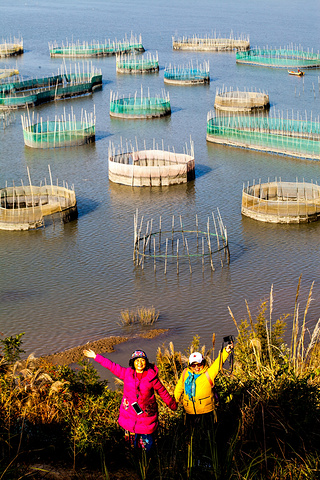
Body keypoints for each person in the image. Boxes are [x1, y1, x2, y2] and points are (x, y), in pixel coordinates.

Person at [83, 348, 177, 453]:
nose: (140, 363)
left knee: (148, 448)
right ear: (133, 362)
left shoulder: (152, 377)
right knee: (132, 448)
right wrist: (96, 356)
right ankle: (134, 465)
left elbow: (162, 391)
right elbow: (111, 366)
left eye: (142, 360)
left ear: (146, 362)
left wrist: (172, 405)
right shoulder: (126, 374)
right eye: (137, 361)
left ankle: (147, 464)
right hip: (130, 417)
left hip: (146, 417)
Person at [174, 342, 233, 433]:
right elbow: (179, 387)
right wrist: (175, 400)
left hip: (206, 412)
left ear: (203, 363)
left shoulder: (209, 373)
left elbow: (218, 363)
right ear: (190, 365)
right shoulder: (185, 373)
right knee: (192, 435)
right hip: (189, 412)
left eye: (199, 364)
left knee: (208, 434)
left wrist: (226, 351)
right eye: (193, 365)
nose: (197, 367)